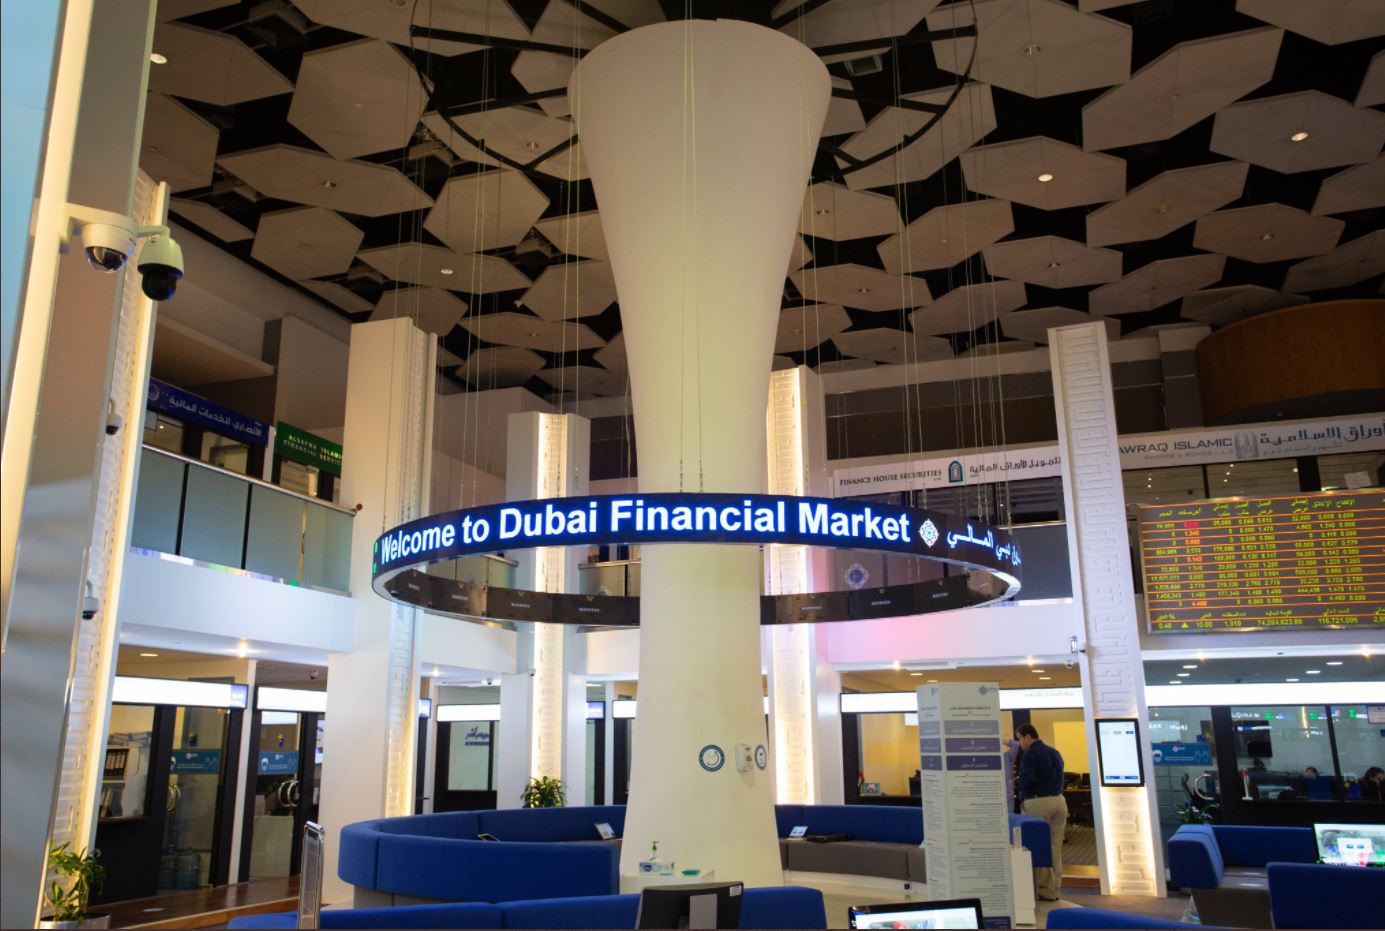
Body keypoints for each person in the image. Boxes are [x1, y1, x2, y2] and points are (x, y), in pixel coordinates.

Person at [1016, 723, 1067, 902]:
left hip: (1039, 803)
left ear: (1027, 737)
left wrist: (1016, 783)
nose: (1020, 743)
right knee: (1055, 846)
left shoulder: (1031, 754)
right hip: (1059, 801)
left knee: (1039, 845)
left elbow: (1028, 779)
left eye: (1020, 739)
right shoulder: (1054, 752)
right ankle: (1055, 887)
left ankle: (1044, 889)